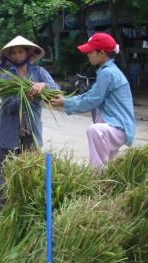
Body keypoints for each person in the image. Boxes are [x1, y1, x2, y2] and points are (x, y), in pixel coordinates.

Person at [51, 32, 136, 168]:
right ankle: (104, 180)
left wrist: (65, 103)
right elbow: (90, 95)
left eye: (90, 51)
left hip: (118, 127)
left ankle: (97, 176)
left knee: (95, 131)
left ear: (101, 53)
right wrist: (66, 101)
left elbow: (92, 100)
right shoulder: (107, 71)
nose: (88, 54)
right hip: (114, 126)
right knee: (108, 163)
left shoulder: (108, 73)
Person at [0, 35, 60, 210]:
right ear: (9, 56)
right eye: (13, 53)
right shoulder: (5, 78)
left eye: (20, 52)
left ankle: (28, 209)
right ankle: (5, 211)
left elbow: (56, 91)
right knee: (4, 173)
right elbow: (8, 106)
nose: (17, 56)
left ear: (28, 53)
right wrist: (25, 97)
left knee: (31, 171)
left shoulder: (39, 73)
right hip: (9, 131)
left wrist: (43, 86)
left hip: (31, 131)